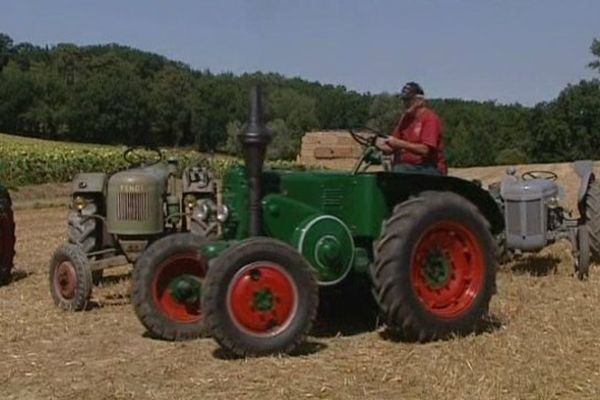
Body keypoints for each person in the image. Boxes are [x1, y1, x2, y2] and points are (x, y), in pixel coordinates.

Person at [376, 82, 447, 175]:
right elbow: (393, 144)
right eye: (403, 100)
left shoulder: (430, 119)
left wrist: (399, 144)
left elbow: (425, 150)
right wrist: (382, 144)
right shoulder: (405, 119)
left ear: (419, 101)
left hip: (429, 168)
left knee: (400, 170)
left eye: (408, 100)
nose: (404, 103)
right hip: (409, 168)